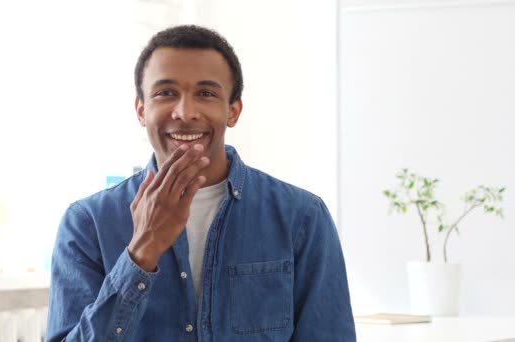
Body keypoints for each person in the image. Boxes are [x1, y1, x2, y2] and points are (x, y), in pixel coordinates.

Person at [46, 25, 356, 341]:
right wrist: (142, 252)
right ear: (141, 110)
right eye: (166, 93)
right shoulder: (87, 222)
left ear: (233, 111)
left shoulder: (302, 217)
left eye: (206, 94)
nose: (185, 112)